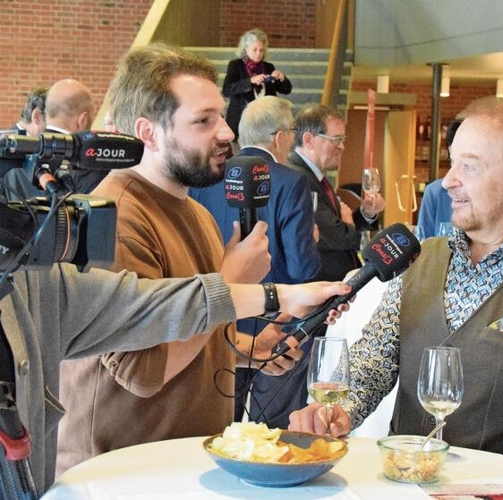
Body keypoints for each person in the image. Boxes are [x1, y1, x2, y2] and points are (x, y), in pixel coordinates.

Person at [289, 96, 503, 453]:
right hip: (402, 484)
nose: (447, 182)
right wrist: (335, 411)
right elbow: (374, 361)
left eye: (470, 166)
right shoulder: (418, 258)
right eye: (451, 162)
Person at [55, 43, 279, 474]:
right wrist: (230, 282)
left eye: (221, 116)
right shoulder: (113, 216)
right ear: (149, 132)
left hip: (184, 466)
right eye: (203, 121)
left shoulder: (195, 211)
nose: (228, 133)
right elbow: (144, 371)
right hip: (118, 476)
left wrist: (251, 349)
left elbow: (190, 342)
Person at [0, 259, 350, 495]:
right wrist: (237, 272)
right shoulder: (126, 207)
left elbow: (147, 306)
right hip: (120, 481)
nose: (229, 142)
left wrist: (277, 300)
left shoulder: (29, 274)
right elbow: (144, 369)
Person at [191, 95, 320, 429]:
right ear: (279, 137)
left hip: (216, 318)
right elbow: (302, 269)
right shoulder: (291, 181)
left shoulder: (205, 180)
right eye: (291, 132)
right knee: (273, 427)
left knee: (220, 426)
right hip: (276, 323)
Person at [288, 104, 385, 282]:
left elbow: (337, 228)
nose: (342, 146)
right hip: (321, 287)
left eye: (343, 139)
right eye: (336, 139)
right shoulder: (300, 178)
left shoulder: (315, 176)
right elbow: (339, 238)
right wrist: (347, 224)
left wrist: (366, 214)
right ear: (309, 140)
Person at [222, 29, 292, 139]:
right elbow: (227, 89)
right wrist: (250, 81)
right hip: (241, 118)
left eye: (261, 50)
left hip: (265, 120)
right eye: (254, 50)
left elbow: (286, 90)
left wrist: (282, 78)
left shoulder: (268, 67)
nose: (258, 54)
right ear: (246, 49)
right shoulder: (236, 65)